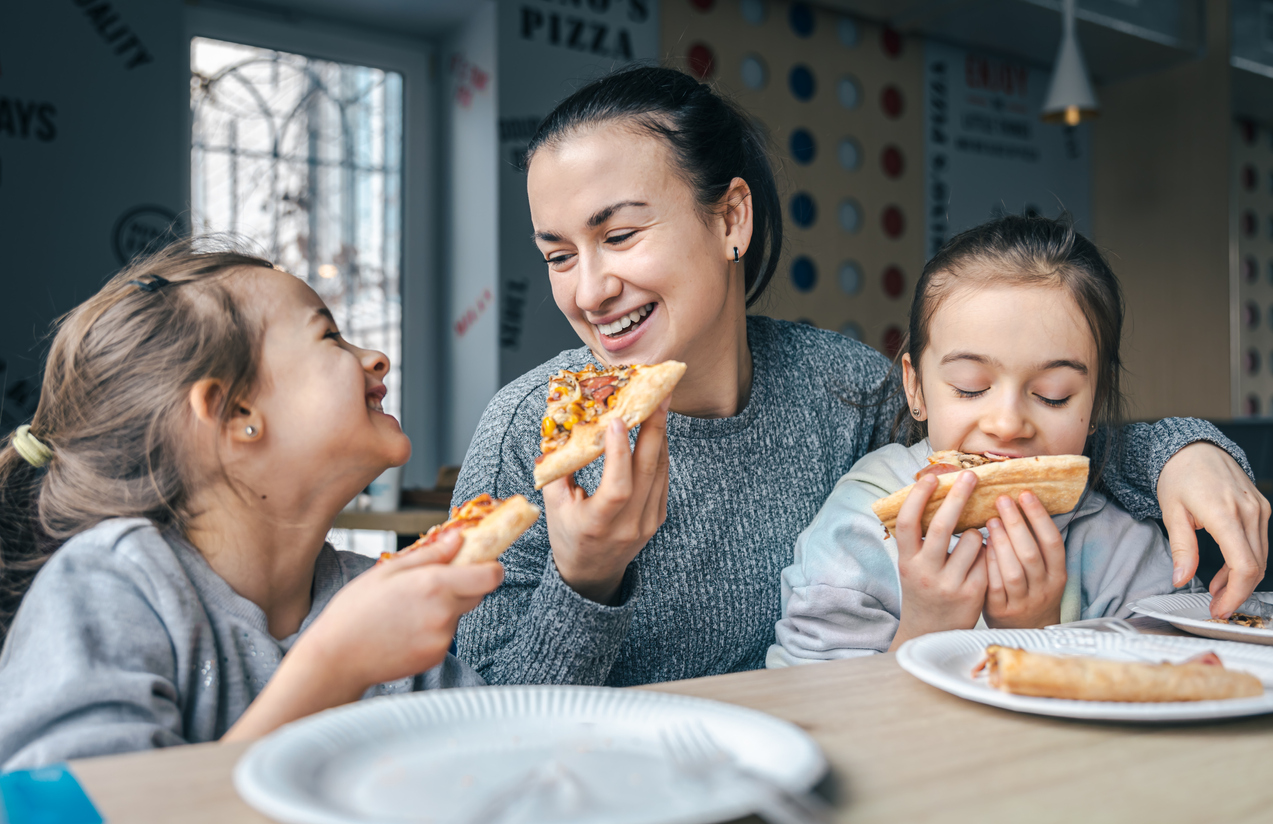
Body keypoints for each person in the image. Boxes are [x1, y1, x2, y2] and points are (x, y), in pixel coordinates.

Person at [453, 66, 1266, 688]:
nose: (588, 290)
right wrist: (586, 582)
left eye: (620, 235)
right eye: (557, 255)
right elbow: (483, 721)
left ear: (730, 217)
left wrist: (1180, 450)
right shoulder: (531, 429)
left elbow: (1007, 450)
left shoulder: (845, 391)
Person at [0, 242, 503, 770]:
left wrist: (579, 571)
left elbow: (494, 773)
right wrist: (335, 667)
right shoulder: (113, 586)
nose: (377, 357)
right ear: (235, 411)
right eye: (329, 336)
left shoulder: (374, 598)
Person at [769, 216, 1204, 664]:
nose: (1007, 423)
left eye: (1053, 395)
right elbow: (806, 697)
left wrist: (1040, 636)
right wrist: (924, 630)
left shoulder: (1121, 541)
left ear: (1095, 404)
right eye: (971, 387)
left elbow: (1175, 681)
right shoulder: (862, 522)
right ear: (915, 388)